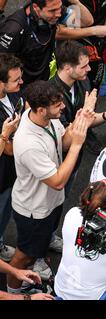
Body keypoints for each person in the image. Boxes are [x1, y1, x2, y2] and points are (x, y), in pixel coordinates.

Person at [6, 80, 91, 295]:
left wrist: (80, 123)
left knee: (39, 245)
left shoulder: (47, 120)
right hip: (34, 210)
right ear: (41, 109)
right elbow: (58, 181)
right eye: (57, 104)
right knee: (23, 255)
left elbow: (61, 142)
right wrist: (78, 143)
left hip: (51, 202)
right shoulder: (28, 143)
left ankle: (42, 249)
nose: (63, 107)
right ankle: (13, 290)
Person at [0, 0, 90, 86]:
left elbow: (87, 21)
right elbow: (3, 65)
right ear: (36, 7)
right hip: (25, 86)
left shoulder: (55, 8)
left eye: (59, 7)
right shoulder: (14, 29)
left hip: (47, 79)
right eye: (52, 11)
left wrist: (75, 2)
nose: (58, 14)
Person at [0, 54, 23, 262]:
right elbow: (7, 149)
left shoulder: (15, 95)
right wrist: (8, 134)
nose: (21, 83)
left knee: (5, 212)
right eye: (16, 80)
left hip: (11, 174)